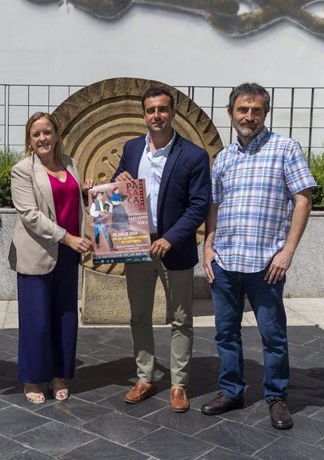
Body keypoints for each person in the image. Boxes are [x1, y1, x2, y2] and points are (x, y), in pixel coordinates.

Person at [201, 83, 316, 430]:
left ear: (265, 113)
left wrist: (288, 252)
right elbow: (214, 206)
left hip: (267, 265)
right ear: (231, 113)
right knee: (225, 333)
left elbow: (303, 199)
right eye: (242, 109)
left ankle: (276, 397)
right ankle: (231, 390)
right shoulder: (223, 158)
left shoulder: (285, 149)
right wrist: (208, 246)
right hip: (226, 263)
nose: (249, 116)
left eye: (256, 110)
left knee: (273, 335)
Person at [112, 86, 210, 412]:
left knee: (181, 318)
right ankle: (145, 376)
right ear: (144, 115)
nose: (157, 115)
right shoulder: (130, 149)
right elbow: (117, 188)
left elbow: (198, 206)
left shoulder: (193, 155)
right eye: (151, 110)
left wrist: (171, 238)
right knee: (138, 314)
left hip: (175, 248)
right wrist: (114, 185)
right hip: (137, 245)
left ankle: (178, 384)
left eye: (163, 109)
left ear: (173, 112)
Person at [9, 112, 92, 404]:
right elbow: (30, 215)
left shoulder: (71, 164)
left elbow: (70, 202)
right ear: (29, 140)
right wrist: (67, 237)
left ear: (56, 134)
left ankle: (59, 375)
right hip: (38, 253)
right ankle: (33, 379)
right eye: (36, 134)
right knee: (37, 321)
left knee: (65, 318)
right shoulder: (23, 170)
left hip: (69, 254)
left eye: (47, 132)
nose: (43, 138)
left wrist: (86, 196)